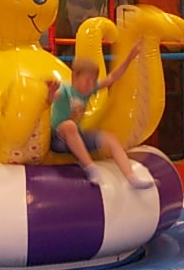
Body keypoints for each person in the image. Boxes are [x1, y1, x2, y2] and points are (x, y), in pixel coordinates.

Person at [48, 40, 154, 189]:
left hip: (76, 137)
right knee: (69, 125)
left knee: (111, 138)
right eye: (87, 81)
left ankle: (132, 178)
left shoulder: (88, 91)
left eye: (93, 81)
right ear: (74, 78)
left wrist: (130, 58)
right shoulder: (65, 89)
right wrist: (51, 92)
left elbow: (112, 78)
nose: (90, 85)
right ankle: (90, 167)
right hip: (58, 139)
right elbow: (50, 99)